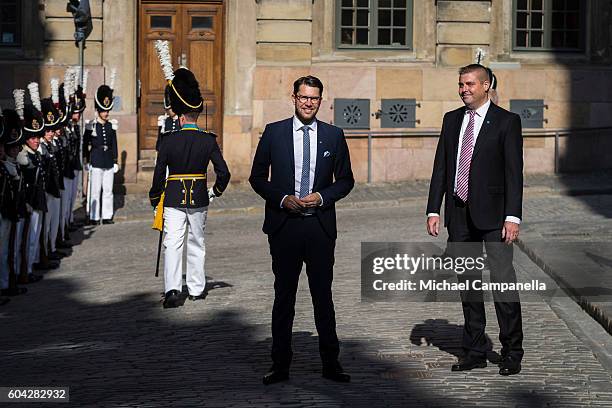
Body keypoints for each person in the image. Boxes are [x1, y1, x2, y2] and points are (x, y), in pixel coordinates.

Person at [249, 75, 354, 385]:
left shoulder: (334, 135)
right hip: (285, 227)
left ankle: (330, 363)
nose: (309, 102)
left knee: (323, 297)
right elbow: (257, 177)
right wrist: (281, 199)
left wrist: (323, 197)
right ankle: (280, 365)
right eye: (304, 97)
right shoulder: (274, 133)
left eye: (315, 98)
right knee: (284, 297)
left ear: (320, 101)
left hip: (320, 228)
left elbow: (346, 180)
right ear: (293, 97)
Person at [426, 64, 524, 376]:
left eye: (469, 84)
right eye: (460, 84)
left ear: (486, 85)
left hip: (495, 217)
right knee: (468, 286)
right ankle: (475, 350)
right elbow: (441, 166)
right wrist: (433, 209)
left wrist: (512, 216)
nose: (463, 89)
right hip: (459, 215)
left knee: (502, 285)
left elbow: (514, 173)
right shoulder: (451, 119)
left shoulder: (507, 121)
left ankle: (511, 351)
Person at [149, 67, 230, 309]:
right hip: (198, 197)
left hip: (173, 198)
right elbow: (223, 172)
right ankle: (196, 288)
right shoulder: (208, 139)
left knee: (172, 243)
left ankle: (173, 289)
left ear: (181, 117)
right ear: (195, 115)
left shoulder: (167, 140)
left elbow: (158, 174)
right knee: (197, 242)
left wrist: (155, 199)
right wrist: (215, 192)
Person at [84, 82, 119, 225]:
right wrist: (86, 160)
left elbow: (114, 144)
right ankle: (93, 216)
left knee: (108, 190)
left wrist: (115, 160)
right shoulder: (91, 125)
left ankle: (107, 215)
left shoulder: (111, 125)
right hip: (96, 160)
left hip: (108, 160)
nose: (107, 113)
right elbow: (85, 144)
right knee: (95, 190)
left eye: (108, 111)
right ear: (98, 110)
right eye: (104, 111)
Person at [155, 86, 180, 152]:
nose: (170, 111)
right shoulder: (163, 120)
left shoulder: (182, 120)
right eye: (168, 109)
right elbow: (160, 140)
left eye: (172, 108)